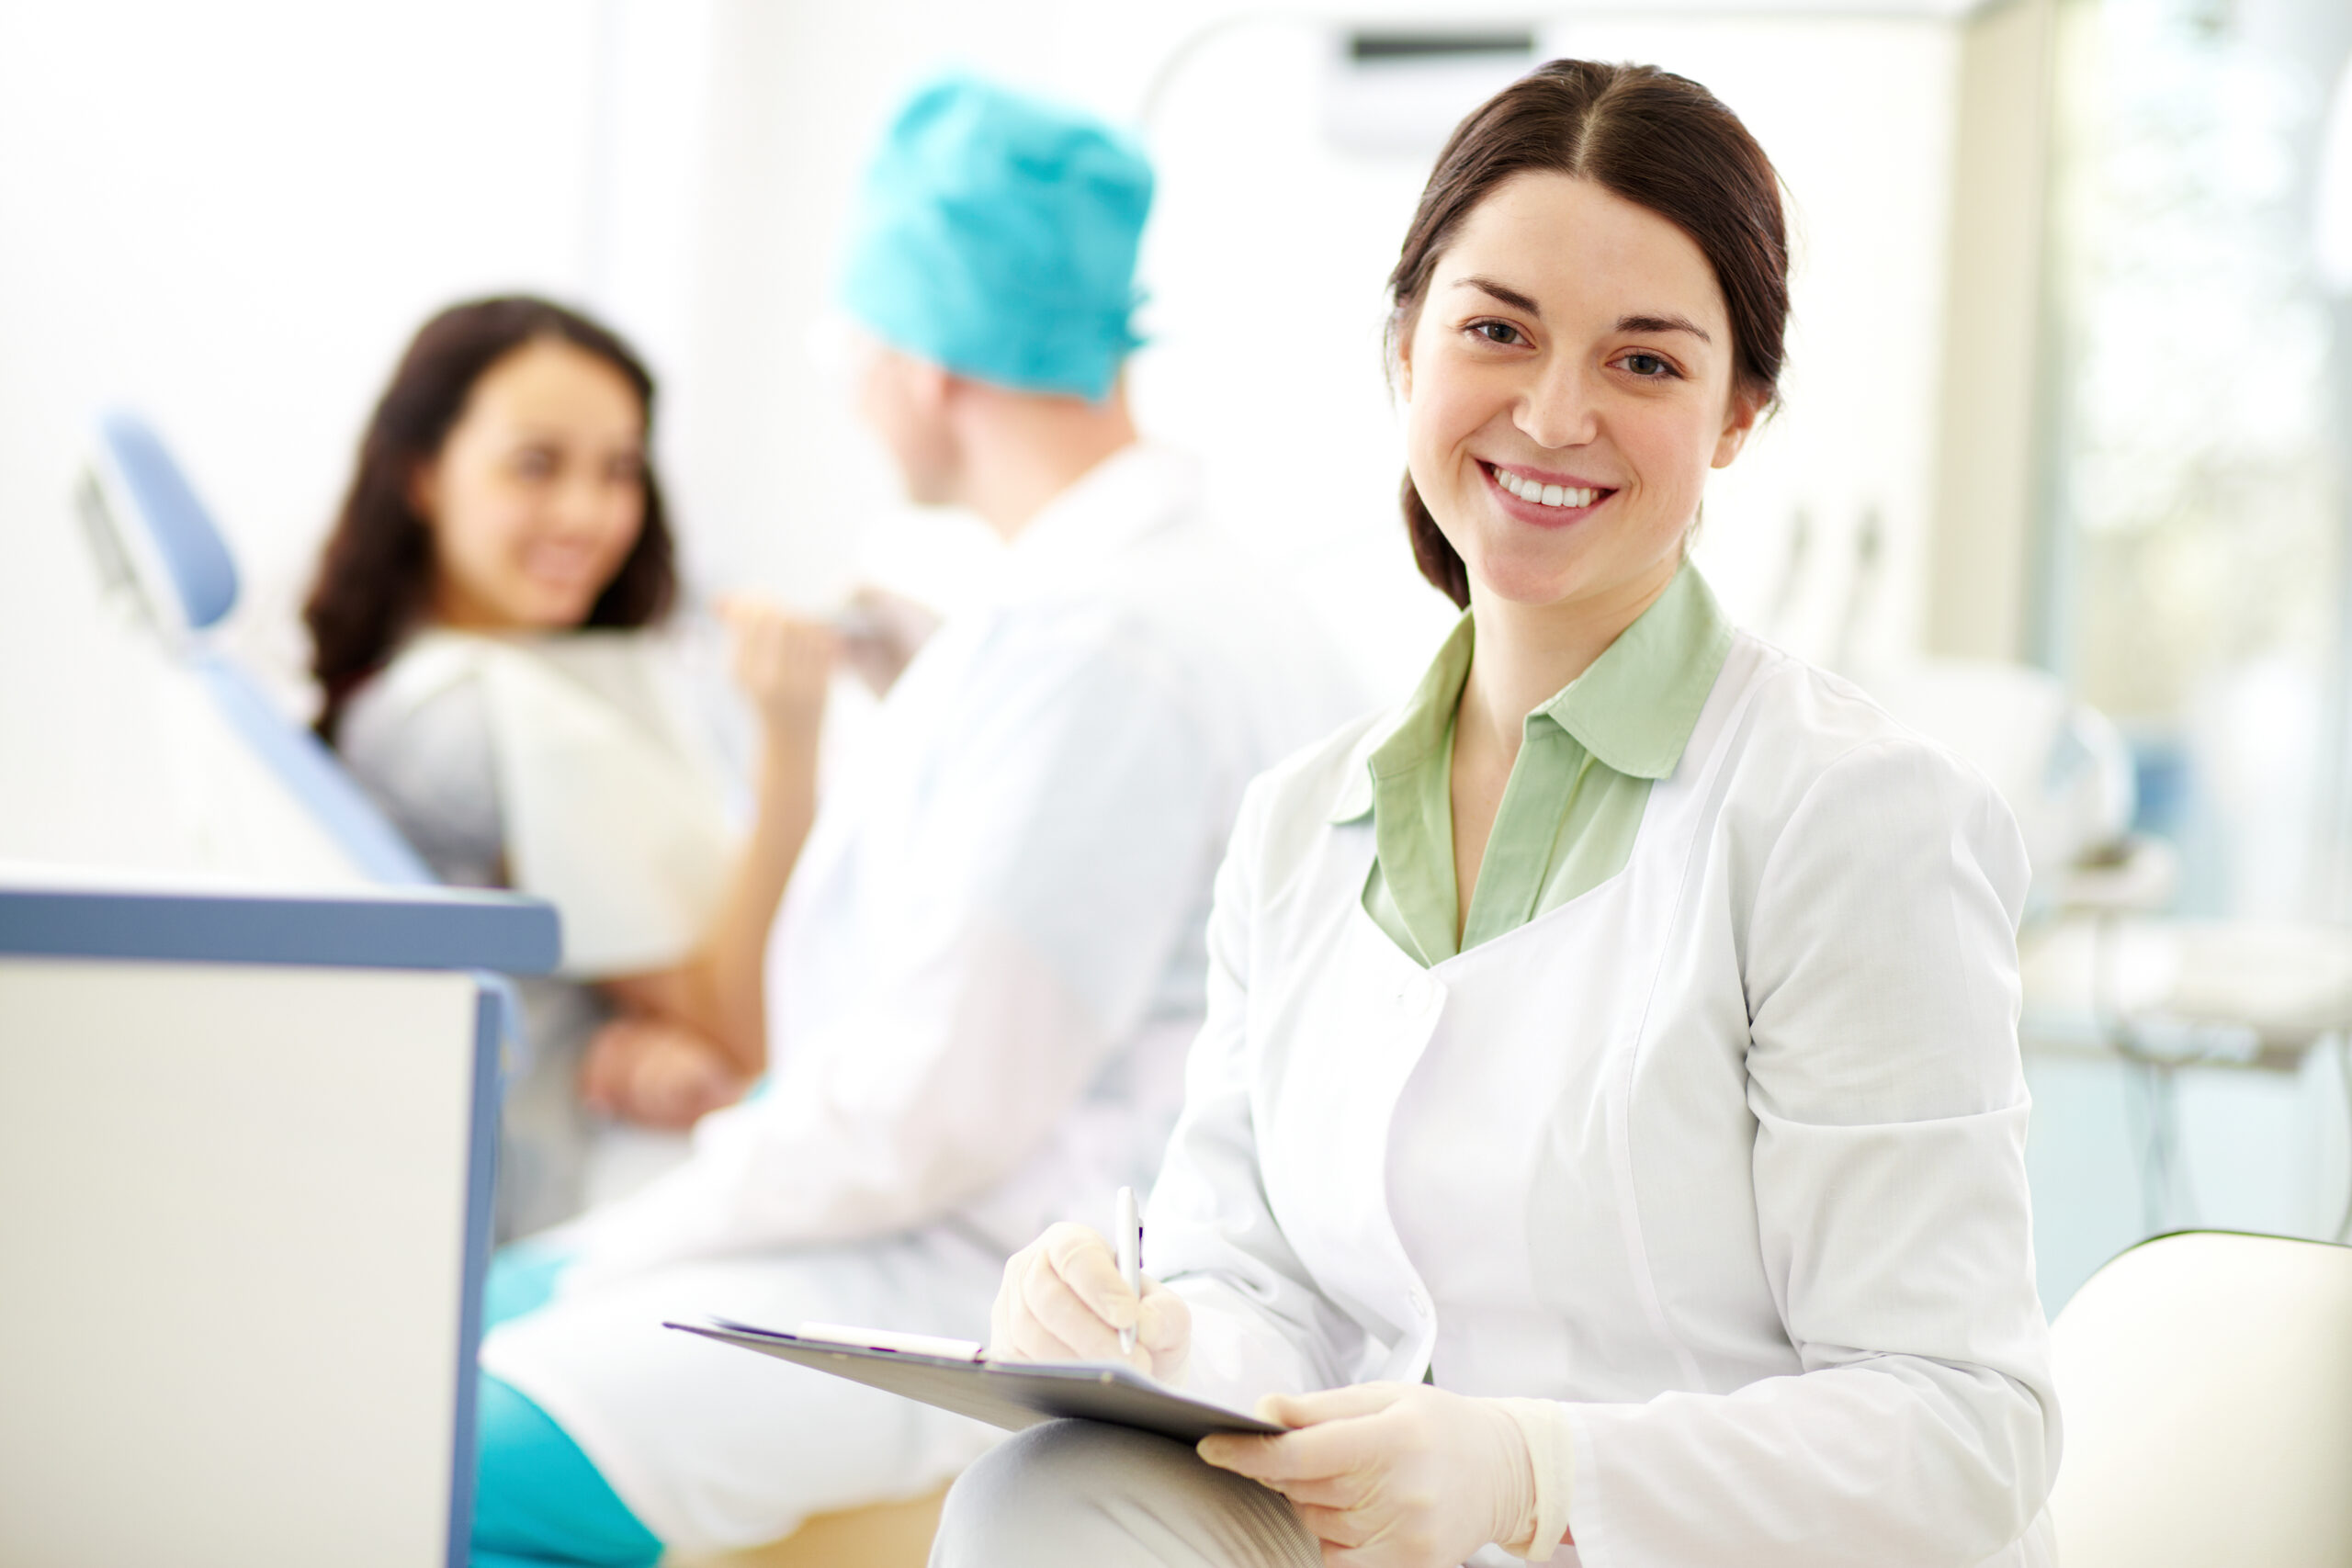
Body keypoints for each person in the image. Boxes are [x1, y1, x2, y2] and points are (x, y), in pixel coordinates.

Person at [944, 59, 2058, 1568]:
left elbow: (1960, 1431)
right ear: (1405, 347)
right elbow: (1260, 1284)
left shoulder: (1851, 823)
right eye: (1497, 331)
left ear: (1740, 413)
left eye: (1644, 363)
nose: (1552, 412)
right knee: (1043, 1497)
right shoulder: (1298, 825)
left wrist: (1538, 1469)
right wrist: (1135, 1332)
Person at [465, 74, 1365, 1568]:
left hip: (995, 1286)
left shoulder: (1104, 647)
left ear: (927, 359)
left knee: (455, 1454)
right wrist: (944, 671)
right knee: (474, 1323)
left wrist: (641, 1226)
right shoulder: (1144, 604)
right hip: (988, 1235)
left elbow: (935, 1105)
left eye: (856, 338)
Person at [307, 296, 836, 1238]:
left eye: (619, 469)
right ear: (423, 473)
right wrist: (792, 741)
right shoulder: (491, 716)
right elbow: (745, 1027)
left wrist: (624, 1022)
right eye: (536, 465)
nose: (588, 514)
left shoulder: (421, 690)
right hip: (582, 1206)